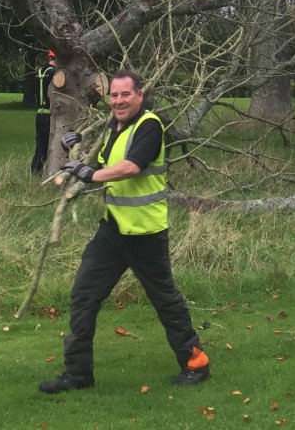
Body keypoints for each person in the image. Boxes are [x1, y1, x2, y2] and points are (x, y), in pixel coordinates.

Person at [38, 70, 210, 394]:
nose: (118, 101)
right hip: (113, 231)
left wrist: (89, 173)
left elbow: (131, 167)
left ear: (139, 95)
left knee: (165, 299)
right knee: (84, 295)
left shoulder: (149, 126)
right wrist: (76, 150)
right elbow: (104, 166)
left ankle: (196, 363)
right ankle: (78, 374)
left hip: (145, 234)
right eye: (114, 95)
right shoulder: (115, 128)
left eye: (125, 95)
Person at [29, 52, 56, 176]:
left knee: (39, 146)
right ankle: (37, 173)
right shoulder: (54, 73)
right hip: (48, 115)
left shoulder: (39, 72)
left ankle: (35, 172)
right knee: (45, 148)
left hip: (39, 113)